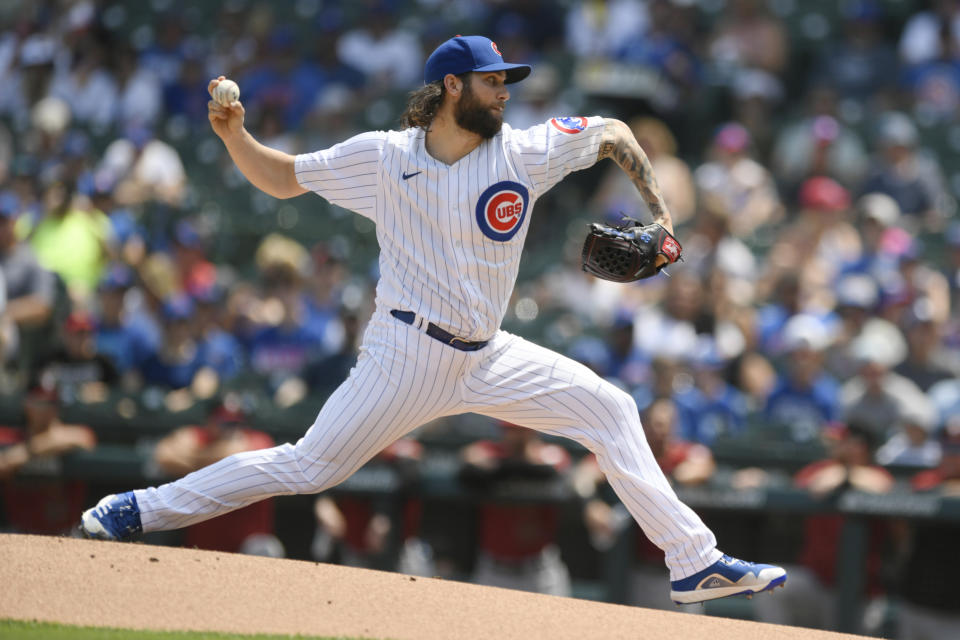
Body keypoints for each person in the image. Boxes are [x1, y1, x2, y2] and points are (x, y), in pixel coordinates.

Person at [80, 35, 786, 605]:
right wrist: (235, 137)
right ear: (453, 86)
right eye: (492, 81)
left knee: (611, 409)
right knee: (308, 466)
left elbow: (613, 132)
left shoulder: (523, 152)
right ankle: (139, 507)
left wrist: (661, 216)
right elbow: (281, 177)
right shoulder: (386, 158)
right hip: (406, 354)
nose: (504, 92)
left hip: (488, 354)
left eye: (506, 81)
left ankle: (694, 563)